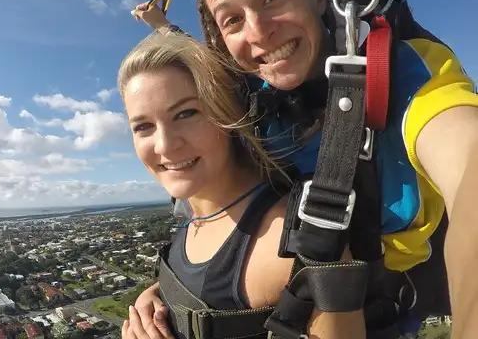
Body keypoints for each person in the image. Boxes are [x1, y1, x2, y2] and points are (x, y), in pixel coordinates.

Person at [129, 0, 478, 337]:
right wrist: (170, 293)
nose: (259, 31)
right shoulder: (250, 96)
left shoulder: (402, 76)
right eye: (232, 21)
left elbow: (469, 166)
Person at [118, 30, 363, 339]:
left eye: (186, 113)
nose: (165, 145)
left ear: (226, 113)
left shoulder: (290, 248)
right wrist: (153, 297)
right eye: (143, 126)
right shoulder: (194, 215)